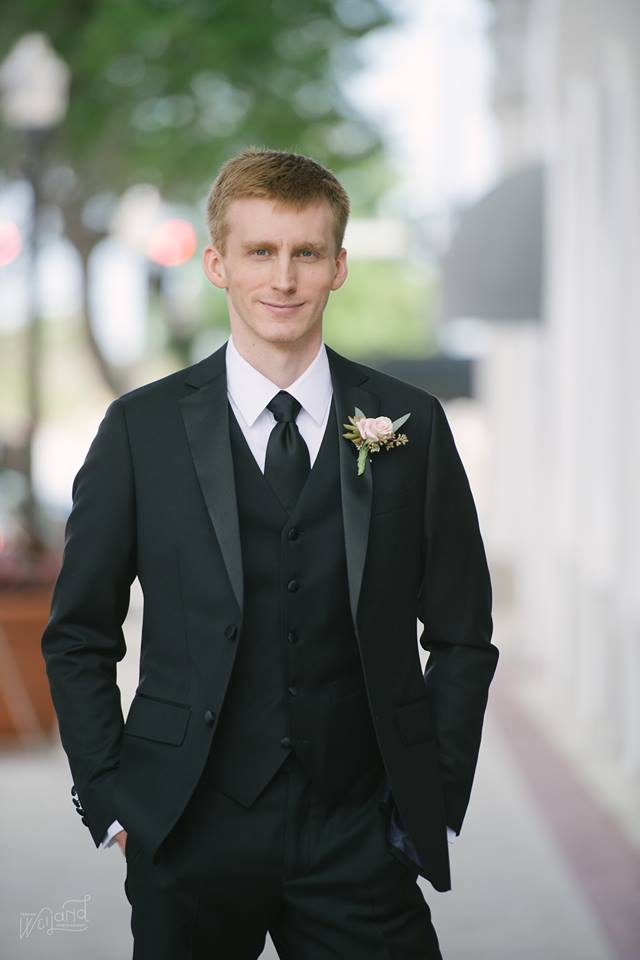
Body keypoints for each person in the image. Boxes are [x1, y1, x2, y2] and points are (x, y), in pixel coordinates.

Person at [42, 147, 499, 959]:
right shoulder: (138, 431)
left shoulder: (411, 424)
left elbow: (463, 635)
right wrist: (115, 802)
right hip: (187, 829)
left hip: (358, 834)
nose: (282, 279)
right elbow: (79, 633)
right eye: (260, 252)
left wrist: (429, 792)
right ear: (218, 264)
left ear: (338, 267)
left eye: (305, 253)